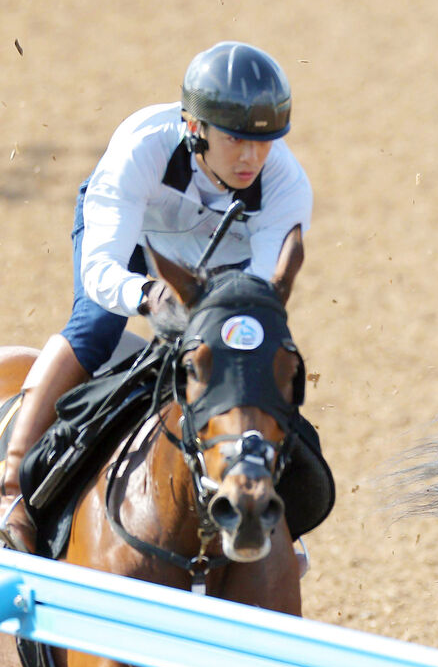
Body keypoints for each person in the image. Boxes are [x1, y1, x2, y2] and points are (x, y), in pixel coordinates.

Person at [0, 40, 311, 553]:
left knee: (251, 350)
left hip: (218, 262)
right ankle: (12, 484)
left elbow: (259, 299)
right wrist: (145, 293)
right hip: (134, 239)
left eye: (266, 142)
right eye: (236, 140)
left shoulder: (286, 186)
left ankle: (271, 505)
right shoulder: (142, 148)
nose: (253, 157)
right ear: (196, 127)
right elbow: (101, 270)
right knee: (96, 326)